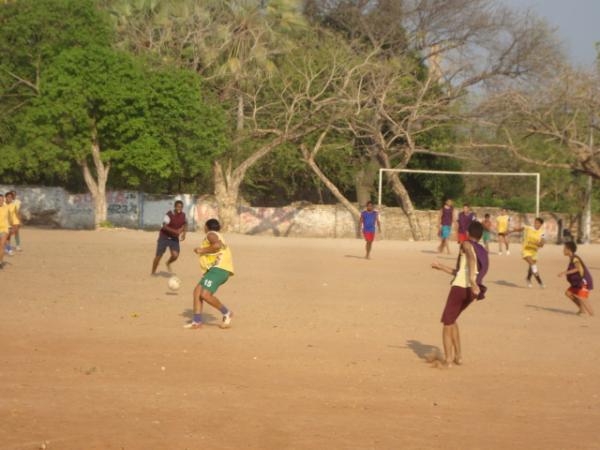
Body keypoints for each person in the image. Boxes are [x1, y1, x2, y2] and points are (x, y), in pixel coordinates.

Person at [431, 221, 489, 367]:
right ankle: (459, 357)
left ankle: (448, 360)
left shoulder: (467, 245)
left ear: (468, 233)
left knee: (447, 323)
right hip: (470, 292)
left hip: (461, 288)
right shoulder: (481, 250)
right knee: (453, 319)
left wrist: (472, 281)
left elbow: (470, 257)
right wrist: (440, 267)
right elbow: (462, 270)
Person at [185, 218, 234, 329]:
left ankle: (227, 313)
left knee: (205, 295)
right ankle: (197, 321)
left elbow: (217, 246)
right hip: (216, 270)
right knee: (197, 292)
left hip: (219, 269)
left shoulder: (210, 234)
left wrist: (201, 250)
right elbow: (218, 247)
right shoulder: (217, 235)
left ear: (206, 227)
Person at [558, 242, 594, 316]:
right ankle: (582, 309)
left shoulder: (575, 258)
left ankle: (592, 315)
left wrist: (565, 272)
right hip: (577, 282)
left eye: (564, 248)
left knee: (582, 297)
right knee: (568, 293)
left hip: (584, 281)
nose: (563, 250)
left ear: (569, 249)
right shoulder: (572, 258)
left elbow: (577, 268)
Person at [151, 200, 187, 275]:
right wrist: (175, 232)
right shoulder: (169, 214)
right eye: (178, 206)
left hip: (174, 238)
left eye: (181, 207)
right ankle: (153, 272)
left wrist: (184, 234)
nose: (179, 208)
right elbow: (164, 226)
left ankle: (168, 263)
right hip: (164, 237)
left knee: (175, 255)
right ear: (175, 207)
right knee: (158, 256)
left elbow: (185, 224)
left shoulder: (183, 215)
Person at [511, 218, 545, 288]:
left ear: (541, 224)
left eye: (537, 223)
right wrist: (514, 230)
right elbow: (521, 229)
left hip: (534, 251)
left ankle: (528, 279)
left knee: (531, 267)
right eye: (535, 222)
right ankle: (540, 282)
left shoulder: (543, 232)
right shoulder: (529, 228)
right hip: (526, 250)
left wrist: (538, 243)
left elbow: (542, 244)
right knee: (533, 265)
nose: (535, 224)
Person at [0, 194, 10, 269]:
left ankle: (0, 262)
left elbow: (10, 217)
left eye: (2, 199)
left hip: (4, 229)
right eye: (0, 200)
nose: (1, 201)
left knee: (2, 246)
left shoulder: (6, 207)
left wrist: (10, 227)